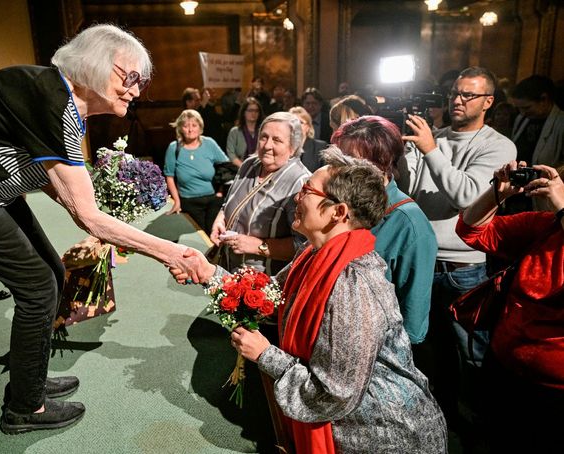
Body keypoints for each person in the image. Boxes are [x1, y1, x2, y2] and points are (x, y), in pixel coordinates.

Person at [0, 24, 207, 434]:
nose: (137, 89)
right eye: (129, 76)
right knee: (37, 286)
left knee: (53, 273)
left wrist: (88, 212)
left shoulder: (60, 102)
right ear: (97, 64)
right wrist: (172, 253)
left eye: (141, 80)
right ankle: (25, 408)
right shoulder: (49, 99)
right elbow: (88, 215)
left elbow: (55, 182)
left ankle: (31, 379)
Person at [183, 150, 448, 453]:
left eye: (307, 189)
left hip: (385, 437)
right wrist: (207, 272)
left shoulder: (353, 286)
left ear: (338, 212)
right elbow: (270, 295)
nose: (297, 196)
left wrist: (265, 354)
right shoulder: (313, 254)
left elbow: (332, 394)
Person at [398, 66, 517, 431]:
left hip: (463, 268)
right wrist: (403, 156)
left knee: (470, 354)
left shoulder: (498, 146)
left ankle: (479, 426)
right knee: (426, 348)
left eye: (468, 95)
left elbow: (467, 198)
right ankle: (439, 418)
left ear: (488, 102)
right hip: (423, 260)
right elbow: (411, 190)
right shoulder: (434, 136)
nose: (458, 100)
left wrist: (431, 151)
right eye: (454, 93)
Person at [456, 160, 564, 453]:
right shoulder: (544, 226)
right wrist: (498, 194)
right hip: (505, 368)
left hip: (554, 392)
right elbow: (470, 230)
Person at [332, 116, 437, 345]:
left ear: (382, 162)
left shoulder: (409, 224)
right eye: (340, 159)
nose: (340, 169)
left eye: (351, 160)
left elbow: (414, 323)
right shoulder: (340, 205)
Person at [211, 112, 311, 275]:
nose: (267, 145)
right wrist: (221, 219)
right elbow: (229, 201)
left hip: (264, 282)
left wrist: (258, 246)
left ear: (293, 147)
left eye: (277, 140)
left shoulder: (300, 182)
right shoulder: (250, 164)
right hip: (227, 269)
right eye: (264, 137)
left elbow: (305, 245)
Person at [163, 109, 229, 233]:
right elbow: (169, 176)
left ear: (200, 127)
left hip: (213, 199)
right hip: (188, 201)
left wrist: (221, 191)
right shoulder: (174, 148)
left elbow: (226, 166)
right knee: (200, 235)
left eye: (194, 125)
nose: (190, 129)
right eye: (186, 126)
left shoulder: (209, 143)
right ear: (180, 128)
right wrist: (176, 201)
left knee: (214, 232)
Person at [511, 75, 564, 211]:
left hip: (544, 192)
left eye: (527, 108)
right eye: (520, 109)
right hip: (519, 193)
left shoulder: (561, 123)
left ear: (544, 100)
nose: (523, 113)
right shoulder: (522, 119)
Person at [225, 97, 264, 168]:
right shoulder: (235, 131)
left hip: (261, 168)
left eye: (256, 111)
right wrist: (243, 167)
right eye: (250, 110)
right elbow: (231, 153)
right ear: (244, 112)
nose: (253, 113)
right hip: (239, 168)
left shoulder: (263, 131)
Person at [288, 106, 328, 172]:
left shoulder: (321, 147)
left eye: (301, 122)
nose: (296, 126)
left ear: (308, 127)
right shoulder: (283, 146)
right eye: (293, 122)